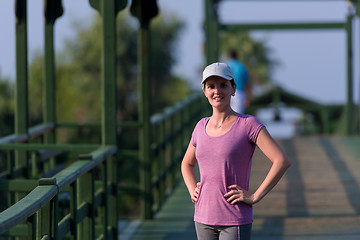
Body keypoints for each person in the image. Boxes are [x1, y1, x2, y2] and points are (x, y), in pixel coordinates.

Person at [181, 62, 290, 240]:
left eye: (223, 85)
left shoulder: (248, 124)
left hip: (234, 218)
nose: (217, 91)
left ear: (233, 89)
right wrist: (192, 188)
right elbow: (187, 163)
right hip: (202, 217)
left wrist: (255, 196)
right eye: (211, 86)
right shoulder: (200, 126)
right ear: (204, 91)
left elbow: (281, 161)